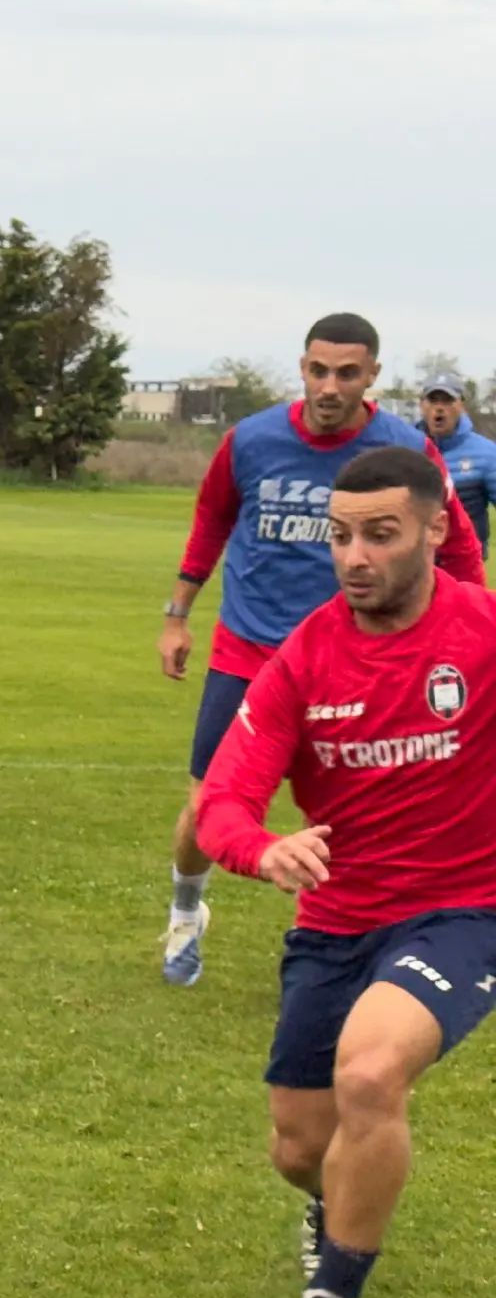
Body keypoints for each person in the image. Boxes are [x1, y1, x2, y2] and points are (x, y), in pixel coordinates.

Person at [195, 446, 496, 1298]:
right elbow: (221, 805)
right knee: (300, 1148)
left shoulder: (483, 630)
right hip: (335, 921)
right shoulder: (306, 657)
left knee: (371, 1078)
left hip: (464, 908)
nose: (354, 556)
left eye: (380, 534)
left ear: (436, 531)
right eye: (339, 536)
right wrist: (264, 846)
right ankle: (337, 1208)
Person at [155, 313, 483, 988]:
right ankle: (186, 911)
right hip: (250, 653)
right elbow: (212, 519)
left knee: (370, 808)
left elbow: (457, 550)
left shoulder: (405, 452)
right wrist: (177, 614)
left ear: (373, 378)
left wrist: (468, 640)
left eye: (347, 373)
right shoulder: (250, 440)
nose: (330, 385)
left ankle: (353, 943)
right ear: (301, 367)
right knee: (204, 808)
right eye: (317, 370)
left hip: (359, 661)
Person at [415, 369, 496, 545]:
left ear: (462, 405)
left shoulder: (486, 453)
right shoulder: (405, 447)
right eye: (432, 400)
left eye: (448, 400)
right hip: (414, 564)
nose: (439, 408)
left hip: (464, 564)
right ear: (421, 404)